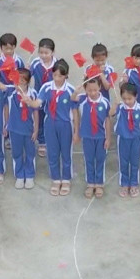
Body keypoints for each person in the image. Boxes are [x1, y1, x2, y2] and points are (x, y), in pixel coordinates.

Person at [41, 60, 77, 195]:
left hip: (66, 124)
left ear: (66, 75)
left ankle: (66, 178)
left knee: (66, 152)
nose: (57, 78)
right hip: (50, 123)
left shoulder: (71, 90)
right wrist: (29, 101)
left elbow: (75, 112)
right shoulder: (46, 87)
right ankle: (56, 178)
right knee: (52, 152)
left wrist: (76, 131)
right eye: (54, 75)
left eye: (60, 76)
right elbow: (38, 102)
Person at [78, 76, 111, 197]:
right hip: (87, 136)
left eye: (95, 90)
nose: (92, 93)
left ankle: (99, 183)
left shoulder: (105, 102)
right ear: (85, 89)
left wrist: (108, 138)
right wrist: (77, 90)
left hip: (101, 137)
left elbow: (107, 120)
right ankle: (90, 183)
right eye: (89, 90)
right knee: (89, 160)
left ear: (100, 88)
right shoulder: (82, 99)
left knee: (100, 159)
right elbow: (71, 98)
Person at [114, 81, 140, 197]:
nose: (127, 101)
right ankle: (124, 183)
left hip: (136, 138)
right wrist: (115, 105)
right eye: (124, 98)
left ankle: (134, 183)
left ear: (136, 96)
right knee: (123, 162)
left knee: (135, 161)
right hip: (123, 138)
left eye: (129, 98)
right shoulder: (120, 108)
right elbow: (110, 113)